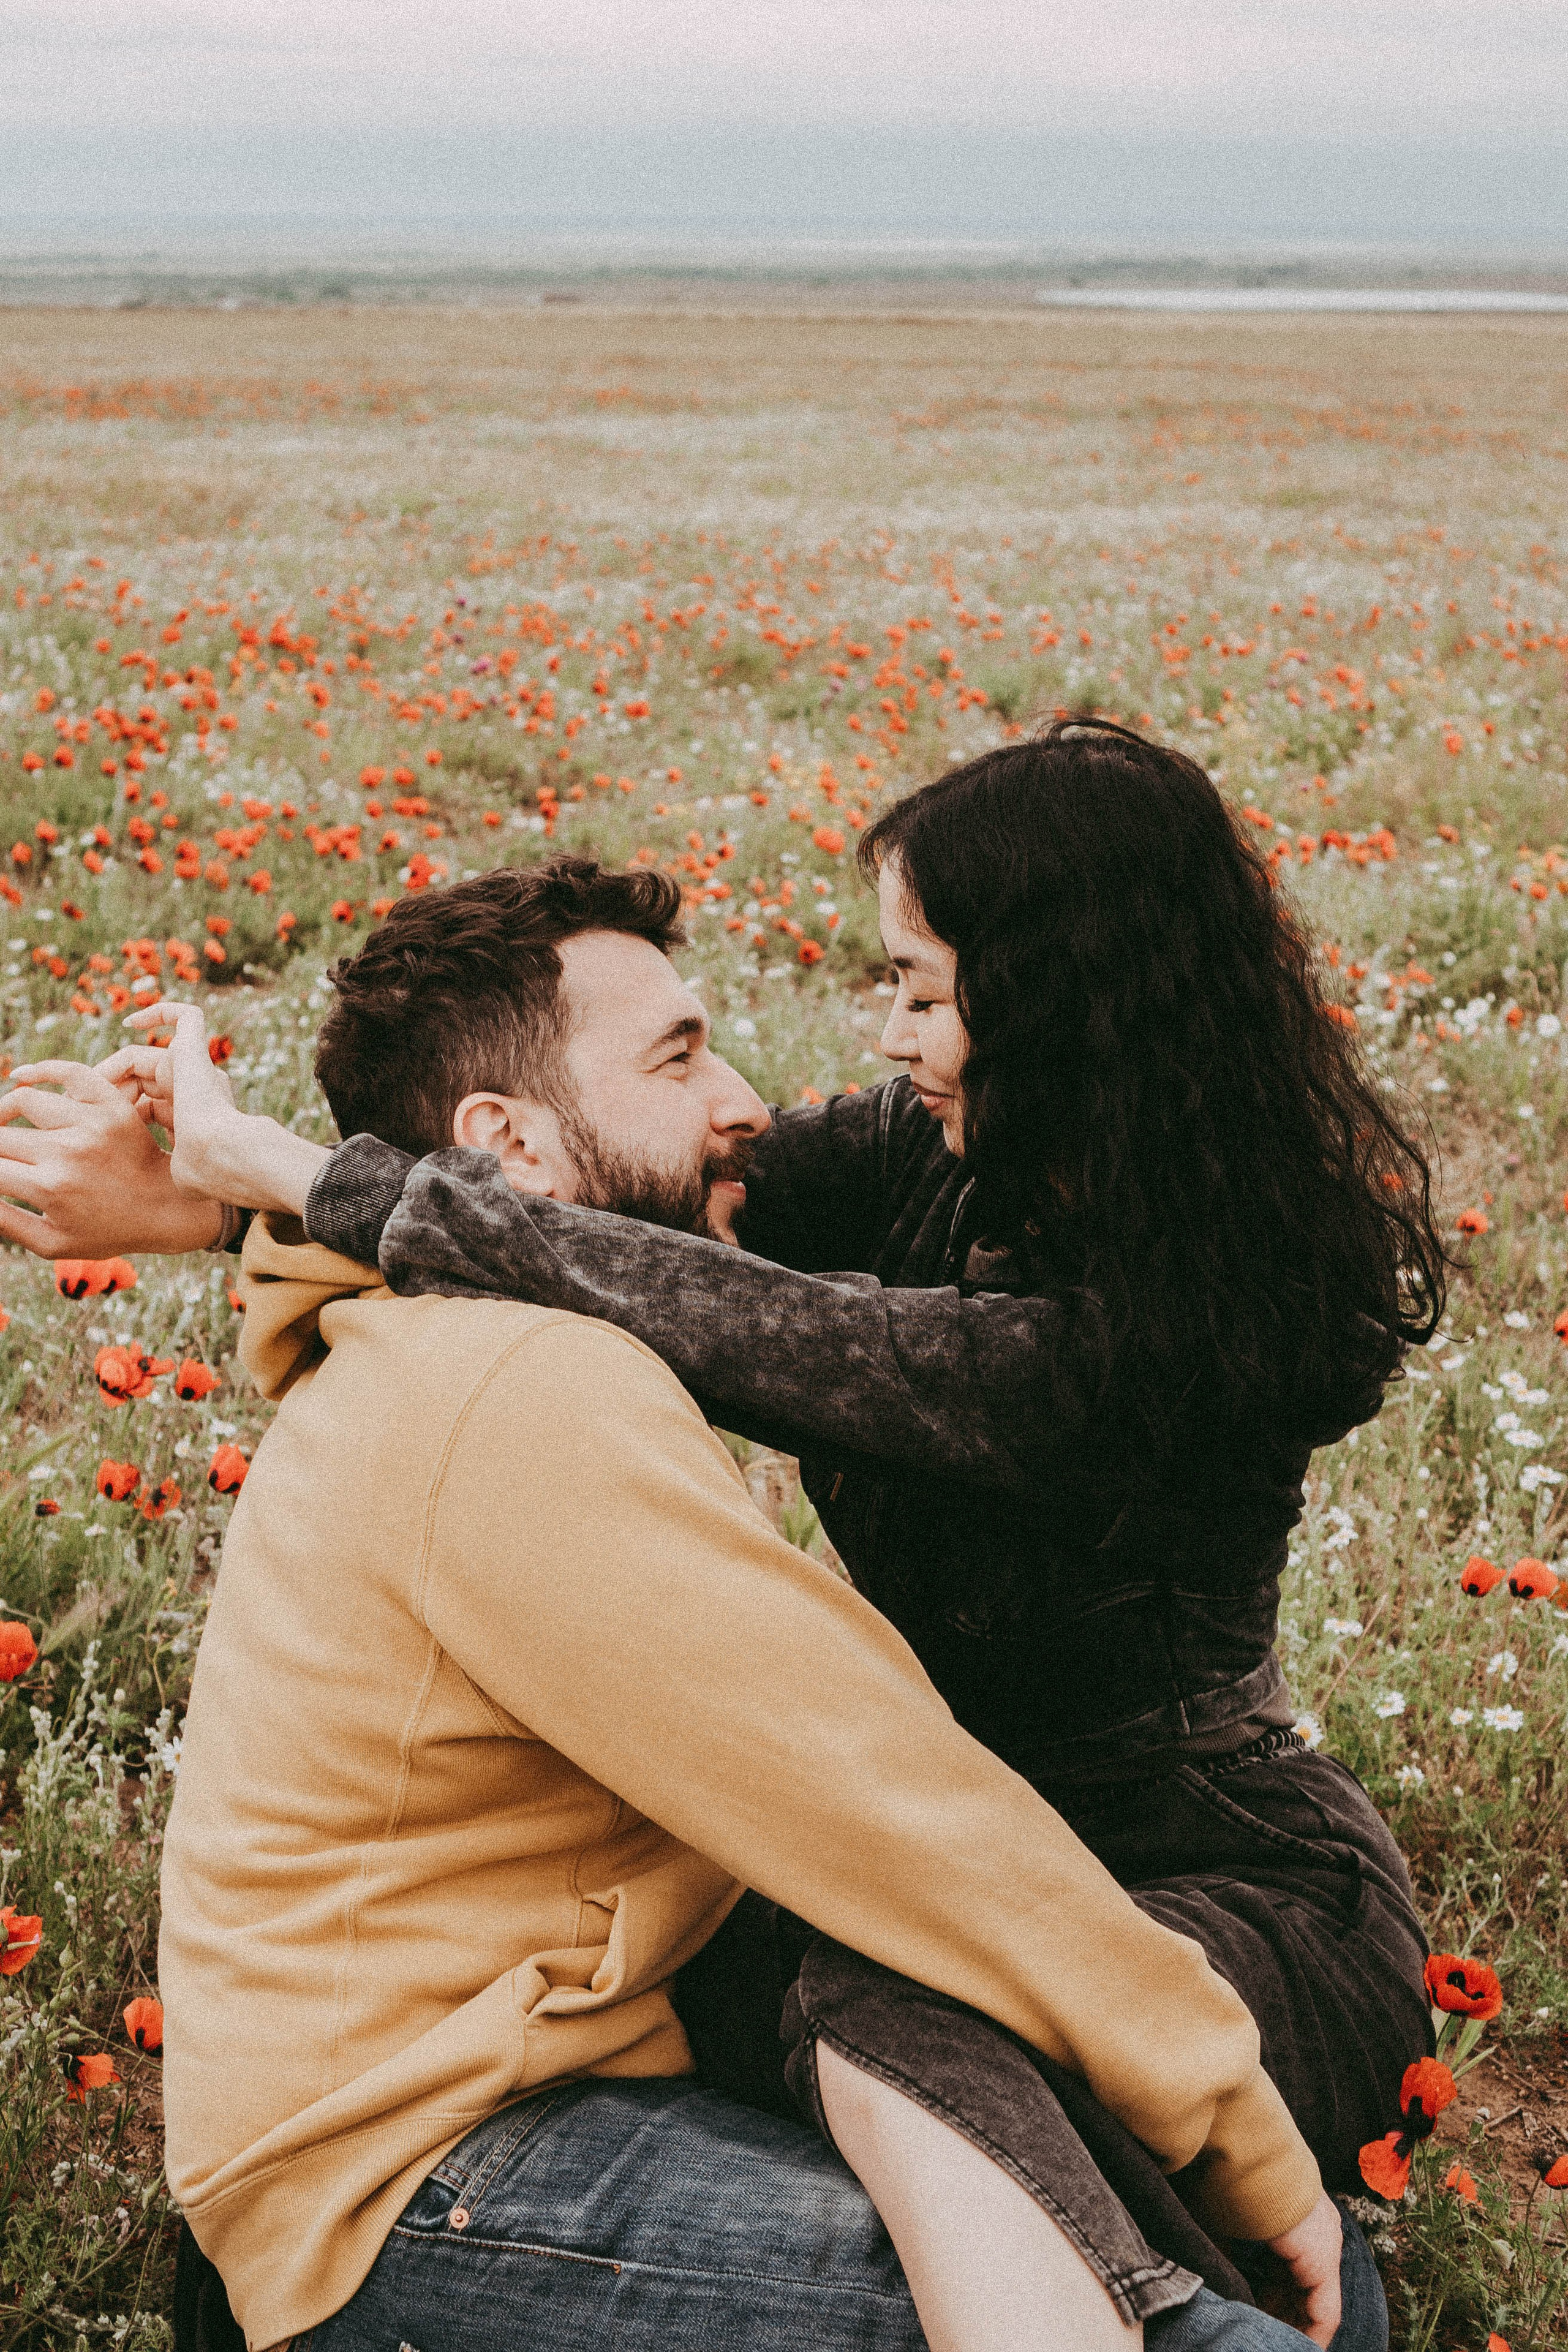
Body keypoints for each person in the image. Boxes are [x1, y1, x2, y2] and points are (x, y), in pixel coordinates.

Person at [0, 722, 1430, 2342]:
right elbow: (620, 1242)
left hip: (1206, 1884)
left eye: (921, 989)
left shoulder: (1140, 1343)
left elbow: (732, 1315)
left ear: (1054, 1011)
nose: (795, 1081)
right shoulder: (856, 1205)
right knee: (907, 2020)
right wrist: (254, 1202)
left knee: (912, 2017)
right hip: (923, 1901)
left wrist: (282, 1172)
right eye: (690, 1055)